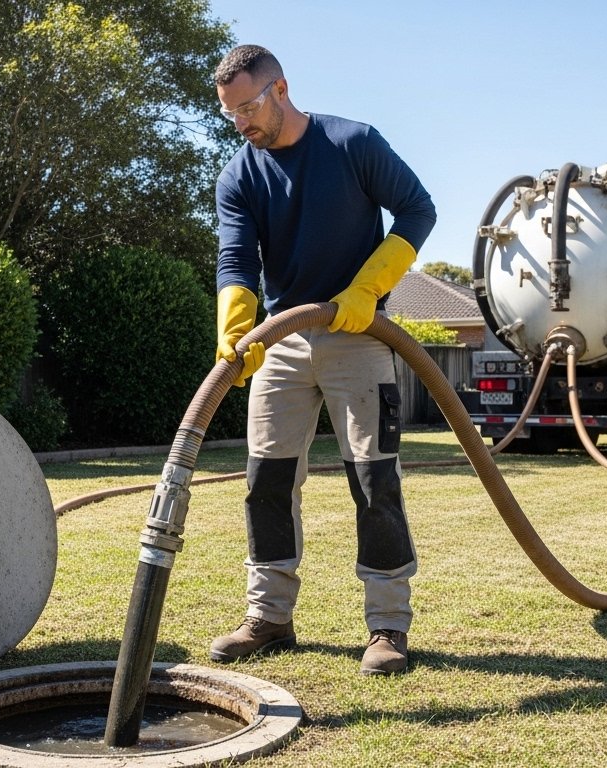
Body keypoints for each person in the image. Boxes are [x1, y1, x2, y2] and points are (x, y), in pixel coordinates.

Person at [209, 44, 437, 676]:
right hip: (282, 339)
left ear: (281, 88)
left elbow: (419, 208)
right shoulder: (239, 175)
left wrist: (368, 288)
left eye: (249, 107)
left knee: (373, 480)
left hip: (360, 333)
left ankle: (388, 625)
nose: (242, 123)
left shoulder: (352, 143)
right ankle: (270, 616)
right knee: (266, 482)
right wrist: (236, 326)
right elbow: (236, 258)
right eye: (231, 114)